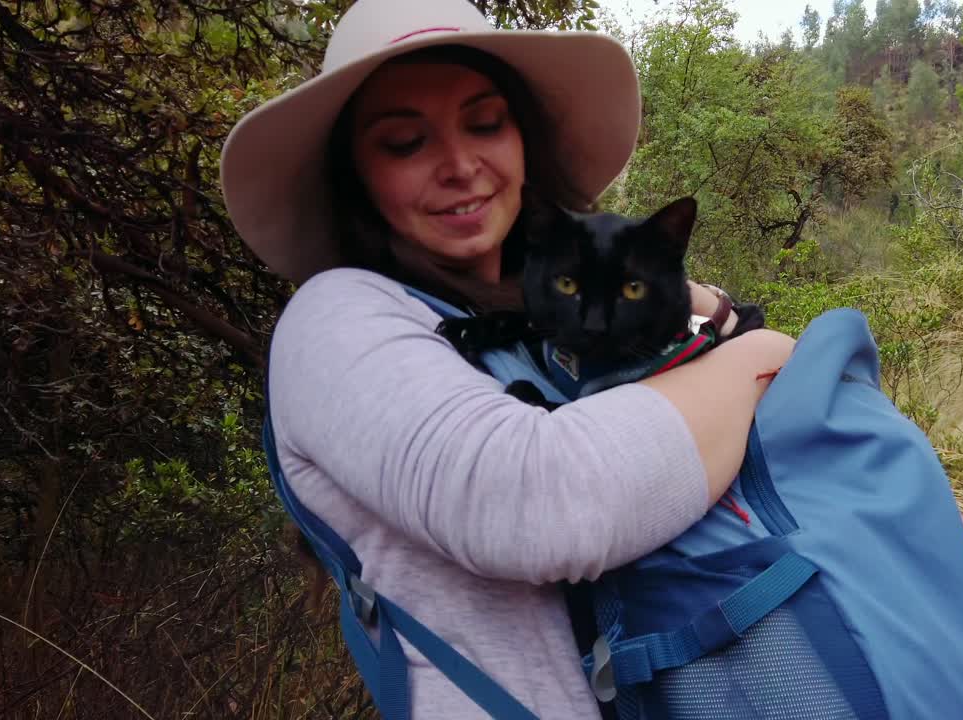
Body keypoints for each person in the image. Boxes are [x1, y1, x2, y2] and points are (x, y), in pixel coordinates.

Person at [219, 0, 795, 716]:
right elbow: (543, 507)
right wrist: (761, 352)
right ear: (355, 175)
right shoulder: (335, 317)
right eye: (404, 143)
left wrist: (699, 308)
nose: (461, 166)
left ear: (524, 140)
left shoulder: (534, 320)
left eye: (486, 124)